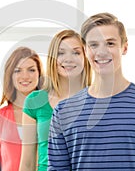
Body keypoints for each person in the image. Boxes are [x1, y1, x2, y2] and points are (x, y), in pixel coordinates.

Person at [48, 12, 135, 170]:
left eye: (110, 43)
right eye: (94, 44)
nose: (102, 52)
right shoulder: (63, 111)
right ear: (86, 50)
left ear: (124, 47)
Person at [19, 29, 91, 171]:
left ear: (85, 57)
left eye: (76, 52)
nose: (68, 59)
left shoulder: (99, 100)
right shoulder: (34, 101)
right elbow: (27, 162)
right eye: (61, 53)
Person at [0, 47, 44, 171]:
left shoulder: (50, 113)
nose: (25, 76)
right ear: (10, 75)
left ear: (39, 74)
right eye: (18, 71)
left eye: (31, 70)